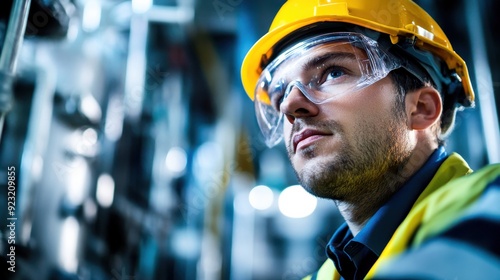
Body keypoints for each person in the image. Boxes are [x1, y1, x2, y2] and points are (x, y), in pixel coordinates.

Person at [240, 0, 500, 279]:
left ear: (421, 109)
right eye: (279, 97)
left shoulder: (490, 205)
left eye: (333, 72)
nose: (290, 106)